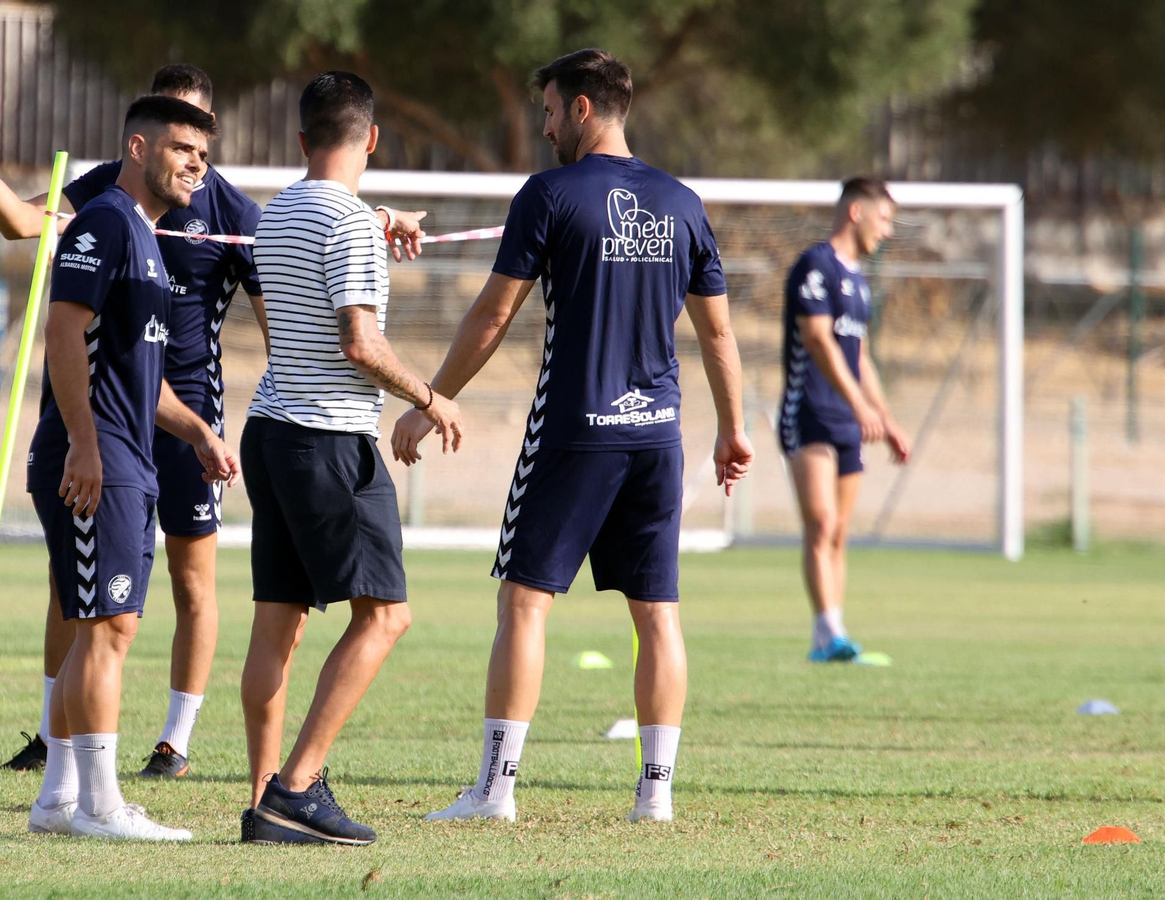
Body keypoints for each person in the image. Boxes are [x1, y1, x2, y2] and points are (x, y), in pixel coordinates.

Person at [0, 65, 425, 775]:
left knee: (191, 580)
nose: (189, 146)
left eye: (198, 130)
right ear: (145, 136)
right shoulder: (110, 198)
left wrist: (380, 222)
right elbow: (23, 224)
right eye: (173, 126)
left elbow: (291, 292)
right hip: (109, 412)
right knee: (79, 588)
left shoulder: (231, 210)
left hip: (189, 418)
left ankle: (175, 739)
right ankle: (60, 746)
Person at [391, 49, 752, 825]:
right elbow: (719, 336)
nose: (545, 124)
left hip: (576, 430)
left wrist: (432, 398)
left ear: (584, 109)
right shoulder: (683, 202)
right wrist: (733, 429)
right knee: (657, 611)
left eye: (551, 110)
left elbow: (493, 315)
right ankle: (655, 795)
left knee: (524, 603)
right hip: (659, 437)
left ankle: (495, 792)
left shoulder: (549, 194)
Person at [237, 71, 462, 847]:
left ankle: (262, 798)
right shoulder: (356, 225)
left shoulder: (277, 215)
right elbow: (359, 342)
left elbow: (330, 242)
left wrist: (382, 219)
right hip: (329, 438)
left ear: (301, 140)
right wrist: (432, 398)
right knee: (386, 617)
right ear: (372, 138)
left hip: (268, 433)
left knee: (278, 621)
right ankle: (296, 789)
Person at [24, 95, 236, 841]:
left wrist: (200, 433)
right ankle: (101, 807)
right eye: (182, 148)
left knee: (97, 629)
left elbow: (138, 374)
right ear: (138, 148)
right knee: (108, 626)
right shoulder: (105, 221)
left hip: (129, 453)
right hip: (96, 459)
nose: (195, 165)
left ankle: (56, 801)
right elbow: (62, 330)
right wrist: (82, 443)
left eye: (203, 155)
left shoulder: (147, 236)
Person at [778, 178, 910, 663]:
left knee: (840, 531)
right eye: (885, 218)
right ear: (856, 212)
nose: (888, 231)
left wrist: (886, 418)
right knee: (821, 522)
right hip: (810, 413)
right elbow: (818, 339)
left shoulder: (860, 282)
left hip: (849, 420)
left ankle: (834, 631)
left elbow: (861, 357)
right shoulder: (815, 266)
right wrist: (858, 405)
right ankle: (826, 632)